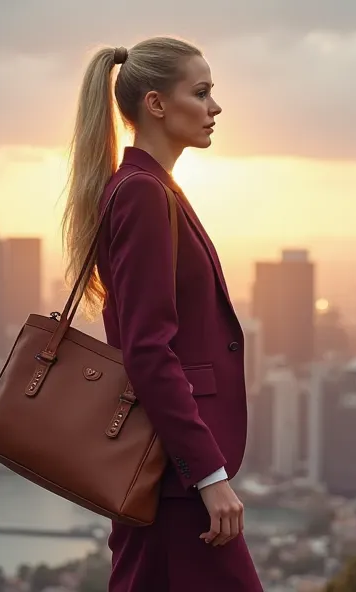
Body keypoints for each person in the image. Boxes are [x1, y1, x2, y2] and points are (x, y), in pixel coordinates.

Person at [60, 37, 263, 591]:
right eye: (200, 93)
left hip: (164, 469)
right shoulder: (144, 194)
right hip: (175, 475)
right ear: (155, 103)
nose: (215, 108)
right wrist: (209, 476)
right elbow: (149, 350)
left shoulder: (149, 188)